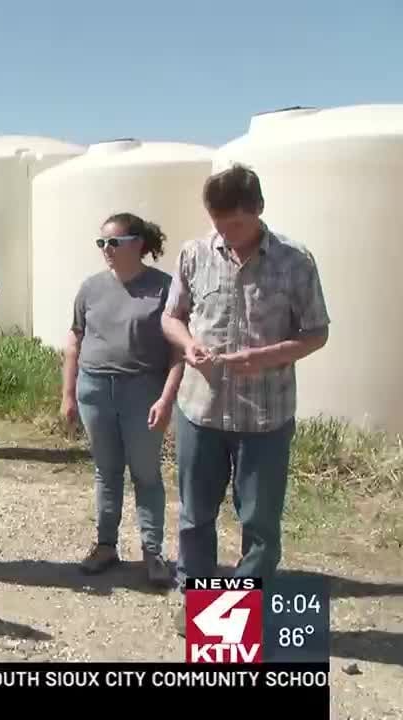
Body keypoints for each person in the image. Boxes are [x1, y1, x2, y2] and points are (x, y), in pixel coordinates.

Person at [161, 164, 330, 632]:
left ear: (257, 210)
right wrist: (187, 342)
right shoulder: (194, 253)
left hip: (266, 418)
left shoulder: (296, 261)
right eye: (217, 223)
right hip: (201, 411)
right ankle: (200, 608)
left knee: (259, 524)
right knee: (195, 517)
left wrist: (271, 355)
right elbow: (171, 317)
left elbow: (317, 332)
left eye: (234, 224)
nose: (225, 233)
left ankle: (241, 616)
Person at [61, 213, 184, 586]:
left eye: (113, 242)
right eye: (101, 243)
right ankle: (105, 546)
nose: (106, 250)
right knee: (106, 472)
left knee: (145, 473)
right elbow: (74, 340)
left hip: (143, 391)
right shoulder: (91, 288)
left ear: (138, 244)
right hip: (95, 390)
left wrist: (166, 398)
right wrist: (68, 393)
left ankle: (152, 552)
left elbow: (179, 352)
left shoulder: (164, 288)